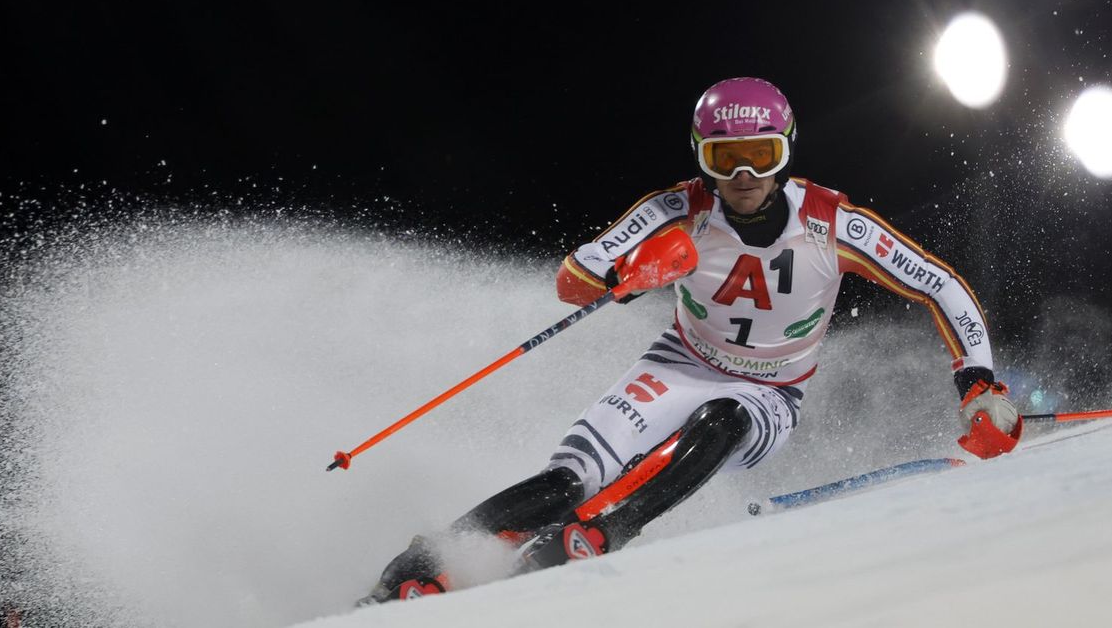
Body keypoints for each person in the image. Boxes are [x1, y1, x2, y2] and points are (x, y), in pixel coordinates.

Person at [359, 77, 1022, 604]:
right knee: (568, 479)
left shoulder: (833, 223)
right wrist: (629, 270)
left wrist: (979, 383)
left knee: (725, 417)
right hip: (679, 363)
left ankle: (610, 527)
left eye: (760, 155)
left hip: (769, 390)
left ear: (785, 151)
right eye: (723, 159)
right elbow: (573, 279)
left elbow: (939, 285)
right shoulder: (677, 210)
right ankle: (425, 563)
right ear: (702, 158)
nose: (742, 176)